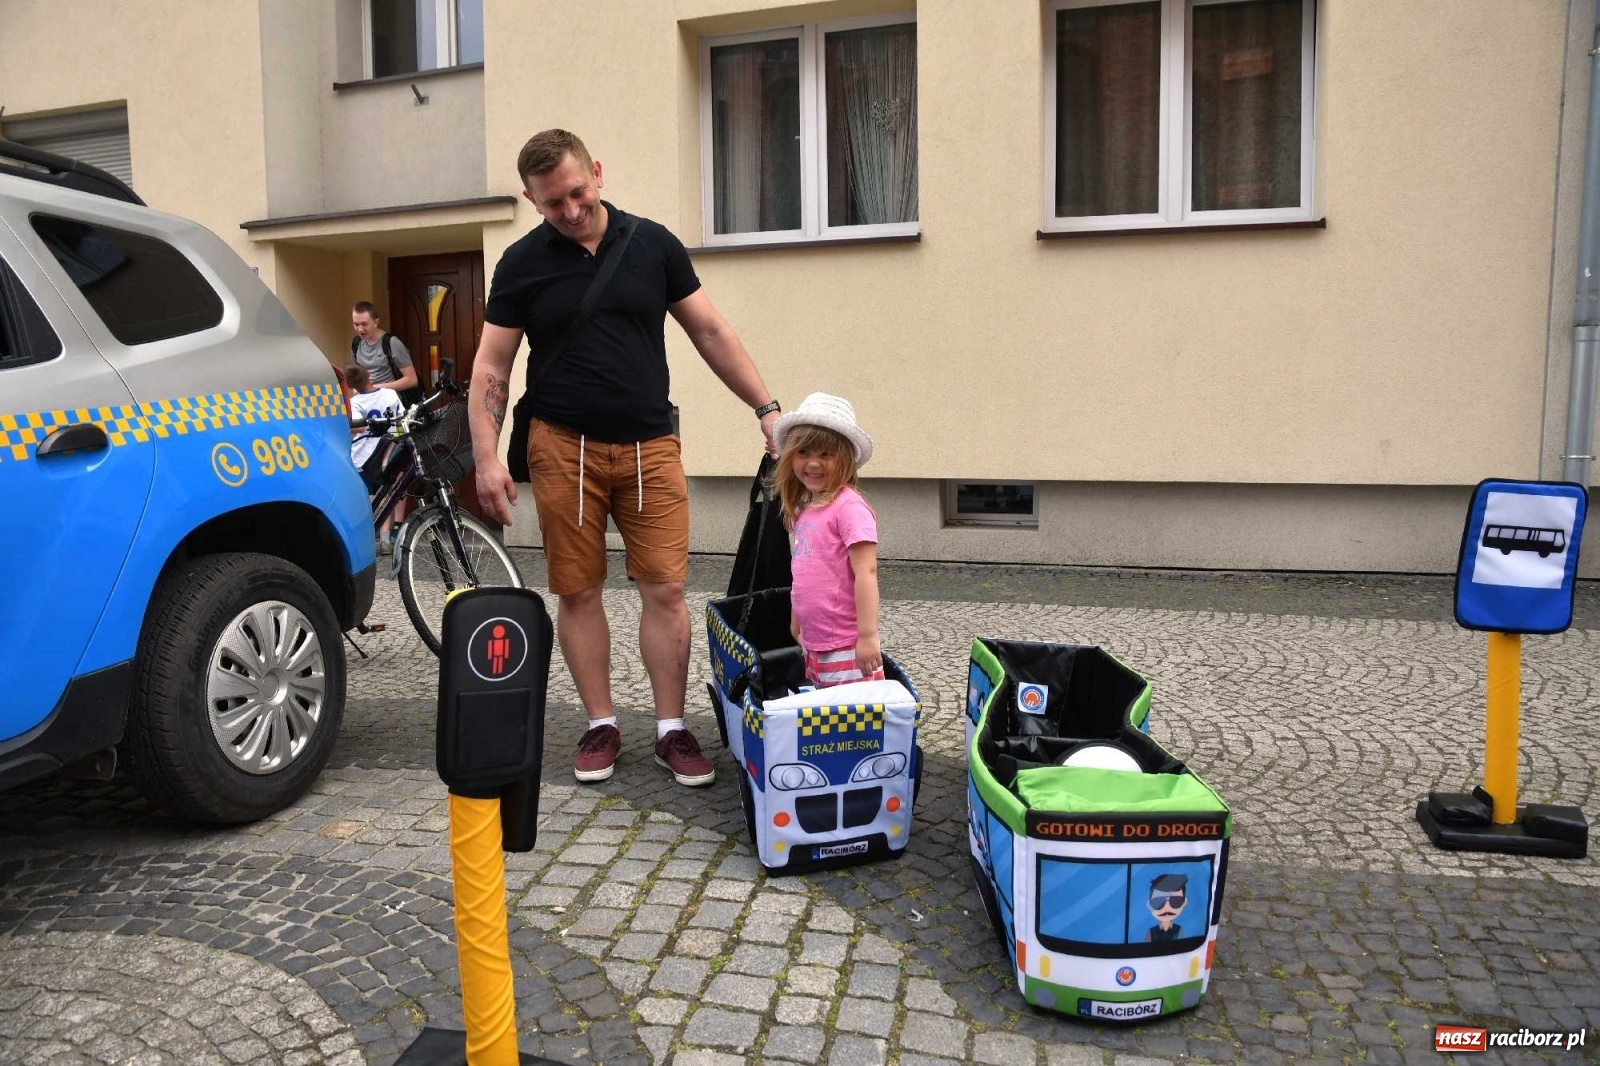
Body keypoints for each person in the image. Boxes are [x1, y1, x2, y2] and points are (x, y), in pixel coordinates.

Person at [467, 128, 783, 788]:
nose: (572, 211)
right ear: (532, 200)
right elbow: (493, 364)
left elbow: (710, 330)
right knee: (578, 590)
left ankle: (671, 729)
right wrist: (486, 457)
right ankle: (601, 723)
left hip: (650, 445)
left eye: (578, 193)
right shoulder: (522, 263)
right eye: (554, 203)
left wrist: (767, 409)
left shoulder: (653, 245)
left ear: (598, 173)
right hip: (561, 447)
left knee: (665, 588)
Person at [771, 393, 883, 689]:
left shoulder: (849, 508)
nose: (813, 463)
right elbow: (804, 572)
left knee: (851, 727)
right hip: (815, 643)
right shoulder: (808, 509)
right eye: (804, 452)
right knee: (828, 727)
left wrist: (868, 636)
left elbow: (866, 573)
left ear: (845, 458)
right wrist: (797, 618)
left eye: (826, 454)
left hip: (846, 647)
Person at [345, 364, 402, 552]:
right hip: (388, 450)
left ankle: (367, 539)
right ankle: (385, 539)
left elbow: (358, 428)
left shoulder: (355, 402)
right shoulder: (390, 394)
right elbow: (401, 420)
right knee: (385, 494)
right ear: (369, 375)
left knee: (366, 498)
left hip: (363, 455)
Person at [1145, 873, 1189, 942]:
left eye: (1175, 901)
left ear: (1184, 902)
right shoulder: (1150, 932)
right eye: (1158, 902)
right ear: (1149, 905)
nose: (1167, 907)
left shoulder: (1179, 929)